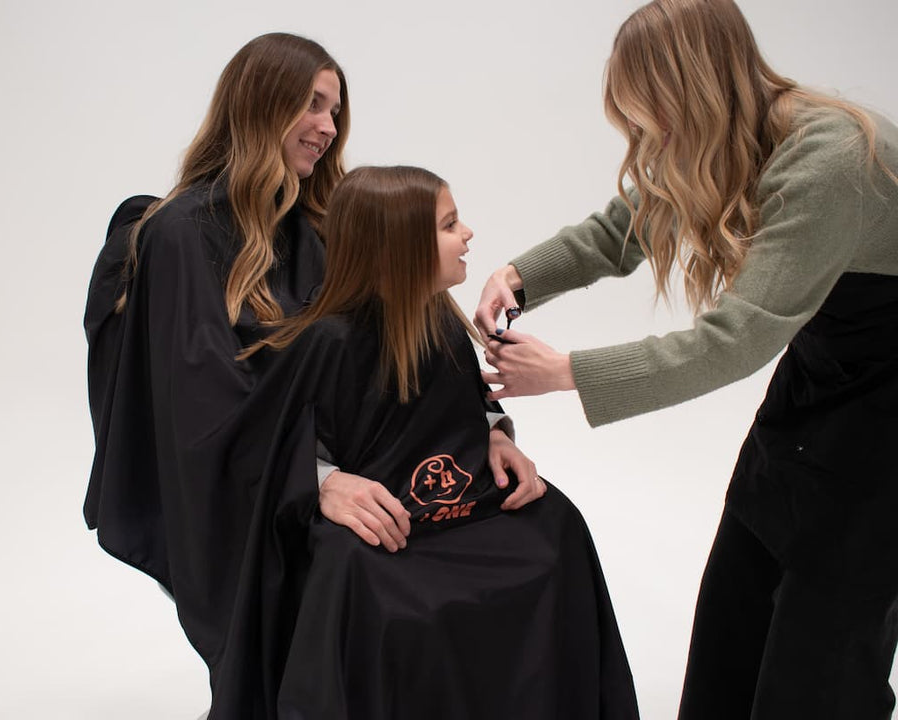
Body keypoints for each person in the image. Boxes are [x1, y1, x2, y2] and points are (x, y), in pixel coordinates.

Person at [82, 32, 540, 714]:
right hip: (262, 497)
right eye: (313, 106)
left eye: (336, 111)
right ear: (260, 105)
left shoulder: (322, 224)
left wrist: (487, 426)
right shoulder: (183, 234)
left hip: (369, 467)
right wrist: (312, 481)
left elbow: (414, 334)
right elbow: (202, 408)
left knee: (529, 546)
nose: (329, 128)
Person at [474, 1, 898, 718]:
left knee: (820, 667)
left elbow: (737, 339)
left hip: (887, 418)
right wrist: (518, 276)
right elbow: (624, 227)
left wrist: (568, 372)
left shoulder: (831, 162)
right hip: (821, 380)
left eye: (655, 119)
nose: (651, 141)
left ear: (697, 92)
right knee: (732, 620)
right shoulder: (730, 137)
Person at [239, 166, 639, 719]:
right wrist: (324, 481)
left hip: (463, 502)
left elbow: (469, 404)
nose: (468, 233)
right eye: (450, 224)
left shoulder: (443, 324)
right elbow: (276, 443)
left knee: (557, 527)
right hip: (392, 525)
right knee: (364, 579)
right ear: (400, 246)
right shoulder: (327, 341)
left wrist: (498, 437)